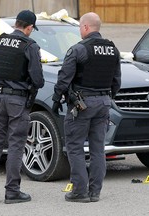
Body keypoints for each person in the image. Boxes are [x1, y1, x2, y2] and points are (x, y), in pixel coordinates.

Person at [52, 12, 121, 203]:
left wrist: (56, 100)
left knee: (75, 147)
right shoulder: (112, 50)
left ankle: (79, 191)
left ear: (85, 27)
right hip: (104, 103)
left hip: (82, 105)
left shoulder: (78, 50)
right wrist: (106, 98)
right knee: (98, 149)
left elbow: (64, 79)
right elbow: (116, 82)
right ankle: (95, 192)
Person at [0, 10, 44, 204]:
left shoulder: (0, 41)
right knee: (16, 145)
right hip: (17, 101)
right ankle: (12, 191)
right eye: (32, 29)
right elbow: (38, 79)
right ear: (29, 27)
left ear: (16, 23)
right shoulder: (29, 45)